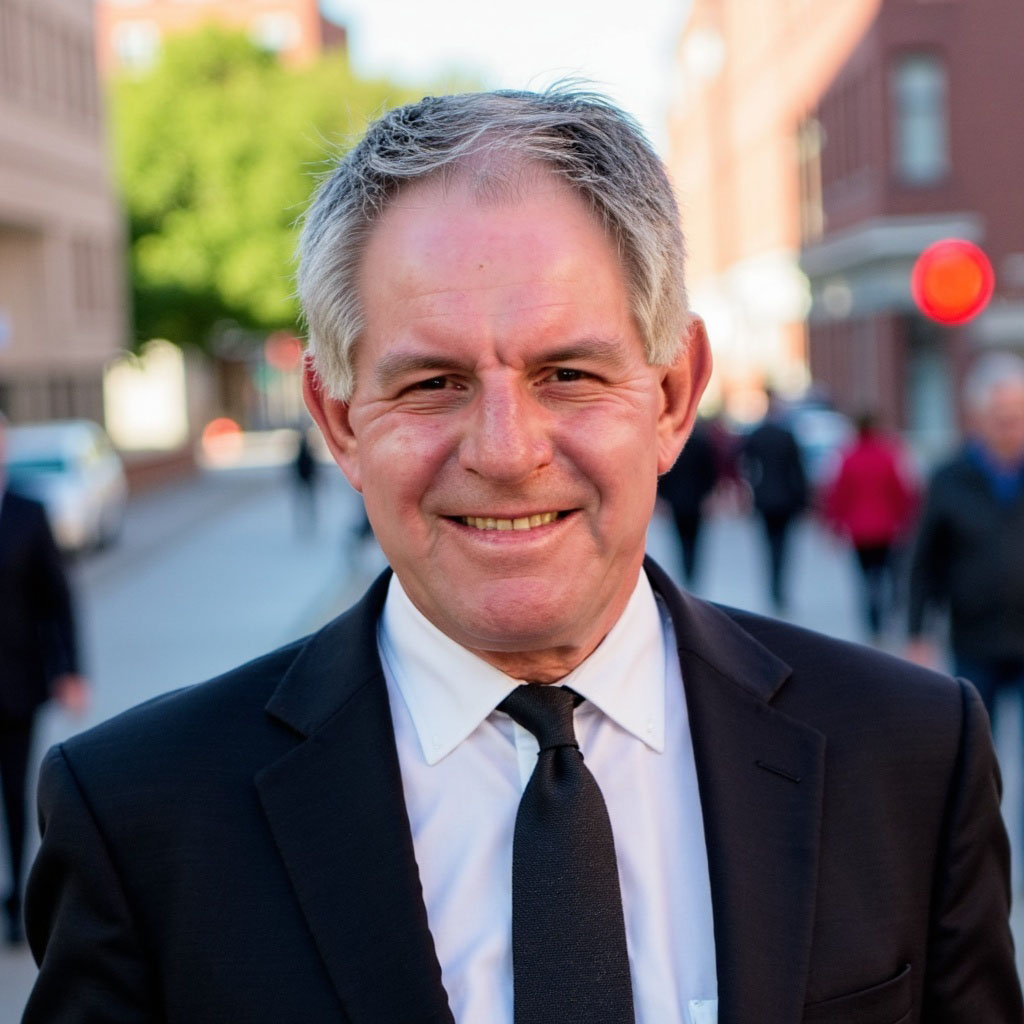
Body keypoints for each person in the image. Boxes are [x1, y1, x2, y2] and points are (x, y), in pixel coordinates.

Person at [23, 90, 1019, 1023]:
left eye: (567, 373)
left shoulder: (907, 757)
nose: (505, 450)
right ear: (338, 420)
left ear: (673, 395)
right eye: (432, 384)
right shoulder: (143, 820)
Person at [0, 413, 87, 946]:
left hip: (15, 682)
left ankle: (16, 901)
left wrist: (69, 670)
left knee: (14, 792)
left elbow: (58, 599)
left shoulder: (28, 513)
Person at [907, 352, 1024, 730]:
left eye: (1016, 411)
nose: (1008, 421)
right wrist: (917, 633)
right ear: (977, 417)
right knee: (976, 747)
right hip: (975, 640)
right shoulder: (948, 479)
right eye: (998, 412)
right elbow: (924, 560)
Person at [824, 412, 918, 643]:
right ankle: (887, 614)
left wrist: (835, 526)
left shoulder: (848, 457)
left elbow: (839, 494)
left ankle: (873, 623)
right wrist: (907, 520)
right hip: (887, 528)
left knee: (867, 579)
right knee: (887, 574)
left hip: (859, 531)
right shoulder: (887, 454)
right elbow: (900, 491)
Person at [740, 392, 808, 611]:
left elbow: (745, 465)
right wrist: (802, 500)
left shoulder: (757, 435)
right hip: (786, 500)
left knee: (769, 545)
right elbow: (797, 471)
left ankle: (773, 588)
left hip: (764, 499)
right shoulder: (787, 436)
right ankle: (779, 590)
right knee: (783, 546)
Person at [657, 416, 718, 584]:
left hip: (676, 499)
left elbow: (664, 473)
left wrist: (662, 497)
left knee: (680, 538)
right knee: (695, 539)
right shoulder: (702, 442)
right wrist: (709, 495)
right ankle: (691, 572)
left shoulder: (672, 445)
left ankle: (685, 571)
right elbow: (710, 473)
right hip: (696, 499)